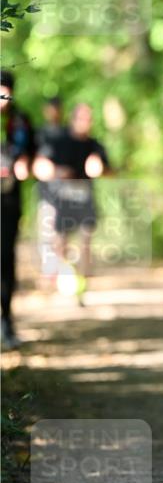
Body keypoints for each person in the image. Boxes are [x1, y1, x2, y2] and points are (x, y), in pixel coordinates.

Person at [33, 102, 111, 297]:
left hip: (85, 199)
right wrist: (57, 171)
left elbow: (109, 169)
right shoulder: (58, 141)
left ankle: (83, 285)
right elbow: (40, 166)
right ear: (73, 119)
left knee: (86, 241)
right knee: (60, 242)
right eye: (82, 118)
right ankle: (62, 277)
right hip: (62, 200)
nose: (86, 123)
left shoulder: (94, 145)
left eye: (89, 119)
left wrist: (100, 168)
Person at [1, 68, 35, 347]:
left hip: (9, 201)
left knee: (5, 259)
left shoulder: (21, 121)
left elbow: (33, 154)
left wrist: (26, 163)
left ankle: (6, 321)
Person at [33, 96, 68, 283]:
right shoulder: (40, 134)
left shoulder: (67, 134)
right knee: (46, 233)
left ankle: (61, 271)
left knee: (62, 234)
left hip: (65, 194)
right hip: (46, 193)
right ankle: (49, 273)